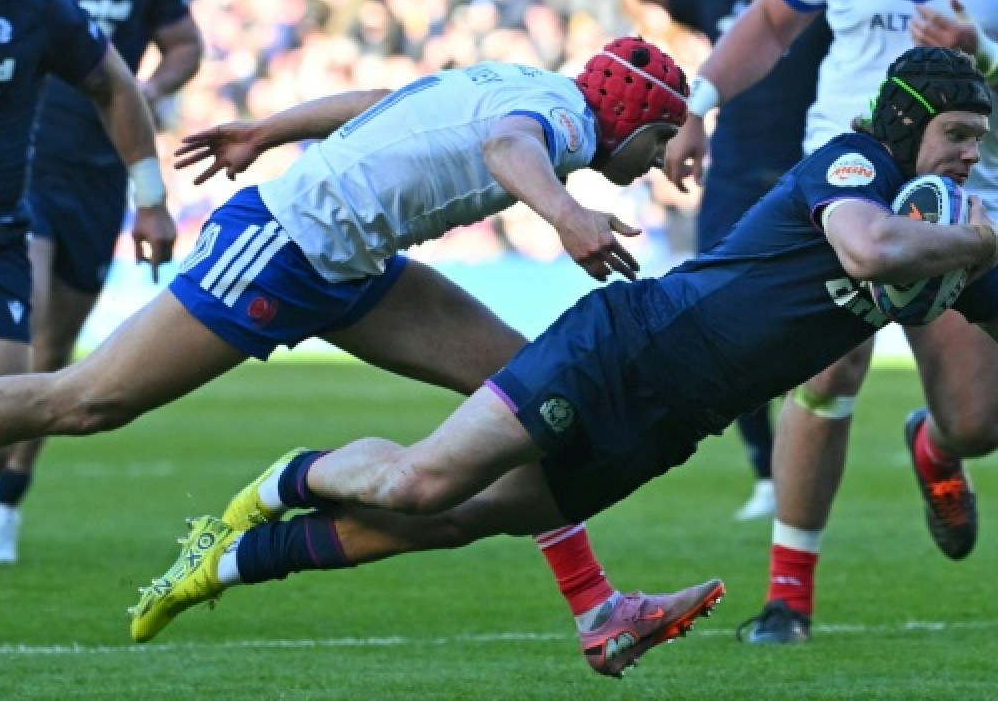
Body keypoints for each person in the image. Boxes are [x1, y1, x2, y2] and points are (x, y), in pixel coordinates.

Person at [128, 46, 998, 676]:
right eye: (957, 132)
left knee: (461, 519)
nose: (968, 154)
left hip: (670, 421)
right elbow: (868, 249)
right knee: (418, 486)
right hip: (625, 349)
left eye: (980, 141)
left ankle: (228, 561)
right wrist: (980, 240)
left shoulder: (947, 241)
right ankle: (286, 481)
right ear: (908, 122)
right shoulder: (854, 166)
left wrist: (970, 250)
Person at [0, 36, 708, 677]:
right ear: (635, 118)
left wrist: (266, 129)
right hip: (282, 250)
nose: (656, 161)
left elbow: (390, 102)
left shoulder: (530, 83)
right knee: (84, 400)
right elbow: (508, 148)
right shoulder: (567, 124)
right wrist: (567, 214)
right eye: (662, 139)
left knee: (528, 399)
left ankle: (598, 611)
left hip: (350, 267)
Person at [663, 0, 998, 643]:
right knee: (827, 370)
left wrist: (985, 50)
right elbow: (771, 22)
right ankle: (788, 600)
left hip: (970, 188)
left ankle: (938, 444)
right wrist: (697, 104)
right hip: (849, 171)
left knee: (979, 421)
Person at [494, 0, 833, 520]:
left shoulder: (830, 11)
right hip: (732, 183)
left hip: (807, 179)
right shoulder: (720, 3)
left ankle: (804, 459)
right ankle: (766, 470)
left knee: (816, 332)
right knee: (734, 327)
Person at [0, 0, 204, 565]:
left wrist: (149, 179)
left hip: (97, 183)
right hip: (24, 188)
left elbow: (160, 59)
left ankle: (2, 493)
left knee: (39, 368)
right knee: (33, 314)